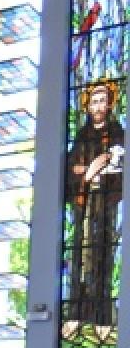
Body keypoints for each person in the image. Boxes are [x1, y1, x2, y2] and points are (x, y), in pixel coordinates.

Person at [65, 80, 124, 329]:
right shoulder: (81, 136)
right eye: (94, 101)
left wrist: (100, 167)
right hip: (84, 201)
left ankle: (102, 318)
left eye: (103, 100)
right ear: (87, 106)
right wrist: (89, 170)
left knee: (102, 254)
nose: (98, 106)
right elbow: (72, 168)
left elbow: (118, 169)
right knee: (80, 254)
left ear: (110, 104)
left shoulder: (118, 133)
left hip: (106, 203)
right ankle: (76, 316)